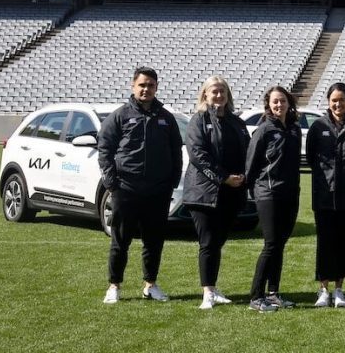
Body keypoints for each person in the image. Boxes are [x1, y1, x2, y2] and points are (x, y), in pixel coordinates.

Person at [98, 67, 183, 304]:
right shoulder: (120, 116)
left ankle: (150, 285)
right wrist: (112, 182)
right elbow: (105, 149)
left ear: (157, 87)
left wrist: (172, 181)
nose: (146, 89)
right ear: (133, 86)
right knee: (120, 241)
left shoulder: (166, 118)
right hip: (126, 189)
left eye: (151, 85)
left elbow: (176, 151)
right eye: (142, 85)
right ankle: (114, 285)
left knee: (154, 242)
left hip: (158, 191)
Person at [182, 75, 251, 310]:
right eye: (214, 92)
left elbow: (248, 152)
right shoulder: (198, 121)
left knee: (217, 242)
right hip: (204, 193)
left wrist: (243, 177)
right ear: (205, 95)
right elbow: (198, 155)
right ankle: (207, 292)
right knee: (208, 242)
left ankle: (213, 286)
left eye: (223, 91)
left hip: (231, 193)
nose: (219, 96)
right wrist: (223, 178)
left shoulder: (237, 122)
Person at [305, 82, 345, 308]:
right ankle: (323, 289)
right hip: (324, 197)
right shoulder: (318, 127)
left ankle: (340, 289)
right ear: (328, 101)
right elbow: (313, 159)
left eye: (342, 99)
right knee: (326, 243)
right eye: (334, 100)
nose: (338, 103)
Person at [245, 86, 302, 313]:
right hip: (268, 193)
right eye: (275, 102)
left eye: (283, 101)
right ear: (268, 104)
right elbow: (251, 165)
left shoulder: (295, 130)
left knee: (280, 245)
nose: (279, 105)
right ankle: (255, 296)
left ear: (289, 103)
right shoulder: (264, 130)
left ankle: (273, 293)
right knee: (270, 245)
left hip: (290, 193)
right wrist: (253, 192)